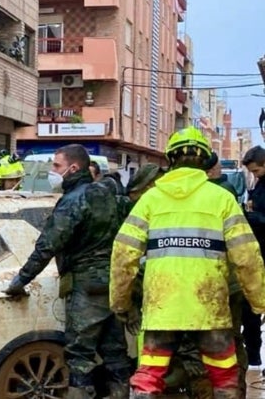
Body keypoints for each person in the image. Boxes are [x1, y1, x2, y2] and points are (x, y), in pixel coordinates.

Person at [110, 127, 265, 399]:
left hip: (162, 307)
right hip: (210, 306)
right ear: (205, 160)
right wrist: (259, 301)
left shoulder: (150, 200)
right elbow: (247, 257)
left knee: (149, 375)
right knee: (224, 376)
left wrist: (120, 302)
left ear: (170, 159)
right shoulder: (222, 200)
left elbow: (123, 255)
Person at [5, 144, 132, 399]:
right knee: (115, 353)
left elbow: (47, 246)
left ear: (73, 168)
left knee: (79, 357)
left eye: (56, 166)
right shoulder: (113, 197)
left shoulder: (74, 200)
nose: (52, 171)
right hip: (116, 283)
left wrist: (20, 281)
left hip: (86, 285)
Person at [241, 145, 265, 367]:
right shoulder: (260, 183)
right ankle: (254, 356)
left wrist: (251, 216)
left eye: (256, 170)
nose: (254, 175)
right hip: (257, 254)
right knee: (251, 309)